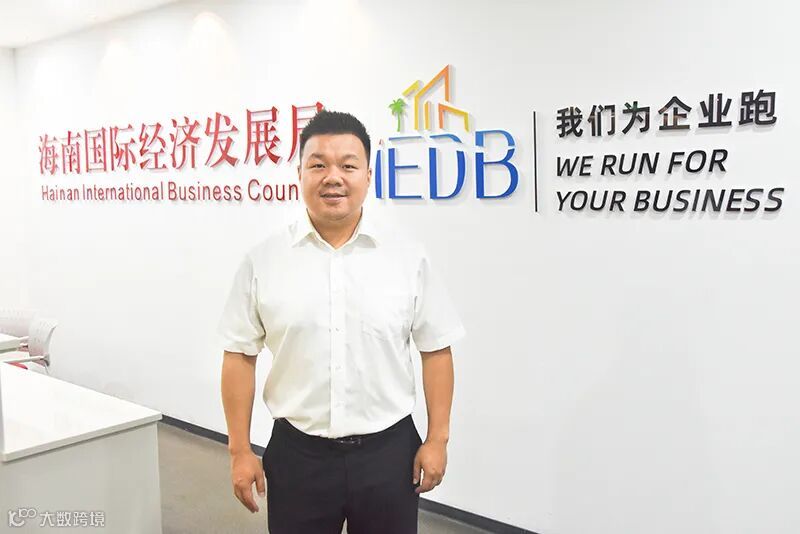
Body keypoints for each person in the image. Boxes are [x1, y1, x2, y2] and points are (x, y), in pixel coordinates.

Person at [218, 110, 465, 534]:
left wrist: (437, 439)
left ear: (368, 176)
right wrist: (239, 449)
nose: (333, 177)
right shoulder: (263, 261)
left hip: (389, 456)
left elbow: (436, 349)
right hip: (298, 457)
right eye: (318, 165)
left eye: (348, 166)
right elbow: (239, 355)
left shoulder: (407, 257)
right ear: (299, 174)